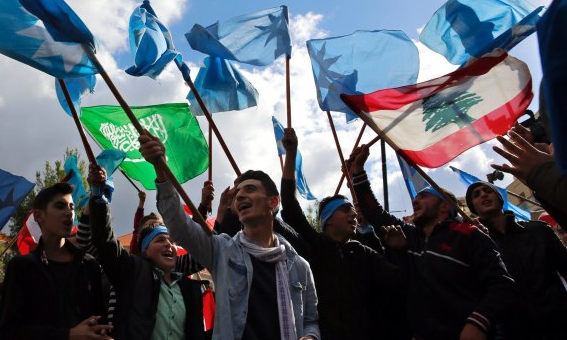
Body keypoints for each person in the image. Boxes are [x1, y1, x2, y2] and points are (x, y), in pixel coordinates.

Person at [138, 134, 320, 340]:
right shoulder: (222, 250)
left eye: (250, 189)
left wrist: (311, 337)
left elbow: (311, 321)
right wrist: (161, 170)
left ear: (273, 202)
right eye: (238, 193)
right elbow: (180, 227)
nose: (240, 195)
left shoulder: (299, 267)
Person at [351, 144, 516, 340]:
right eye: (416, 198)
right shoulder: (412, 237)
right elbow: (374, 212)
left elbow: (502, 285)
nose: (415, 201)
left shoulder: (470, 236)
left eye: (424, 196)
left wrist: (478, 322)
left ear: (444, 206)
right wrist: (358, 171)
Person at [280, 128, 405, 340]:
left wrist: (398, 250)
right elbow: (290, 206)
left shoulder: (363, 251)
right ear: (328, 219)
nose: (354, 214)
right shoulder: (315, 247)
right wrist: (291, 153)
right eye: (346, 210)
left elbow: (396, 281)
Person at [87, 165, 205, 340]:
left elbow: (206, 252)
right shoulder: (132, 273)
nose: (169, 245)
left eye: (172, 241)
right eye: (160, 240)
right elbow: (105, 241)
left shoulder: (190, 289)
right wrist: (98, 194)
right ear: (145, 251)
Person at [0, 183, 110, 340]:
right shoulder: (22, 267)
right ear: (38, 216)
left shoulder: (89, 264)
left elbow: (101, 319)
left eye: (71, 207)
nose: (69, 213)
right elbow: (9, 332)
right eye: (60, 206)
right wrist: (68, 335)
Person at [465, 181, 567, 339]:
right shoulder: (480, 248)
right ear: (473, 209)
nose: (483, 195)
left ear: (500, 199)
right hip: (517, 332)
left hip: (561, 324)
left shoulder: (539, 230)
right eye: (476, 195)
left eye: (487, 191)